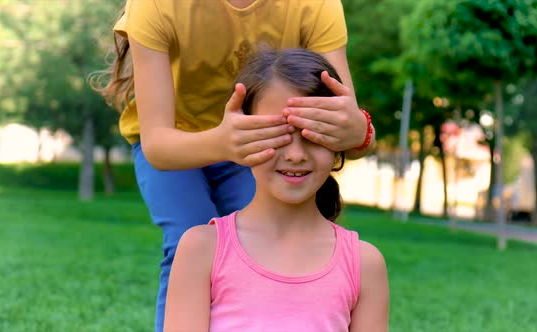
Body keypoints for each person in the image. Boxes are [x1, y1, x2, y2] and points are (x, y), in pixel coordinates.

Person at [92, 1, 376, 330]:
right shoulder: (155, 5)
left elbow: (341, 123)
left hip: (262, 138)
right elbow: (157, 145)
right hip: (176, 140)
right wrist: (226, 141)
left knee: (268, 243)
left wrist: (359, 131)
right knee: (187, 237)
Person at [164, 48, 389, 332]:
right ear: (240, 138)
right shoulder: (201, 249)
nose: (295, 154)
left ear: (338, 145)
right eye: (277, 133)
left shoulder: (365, 265)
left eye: (313, 134)